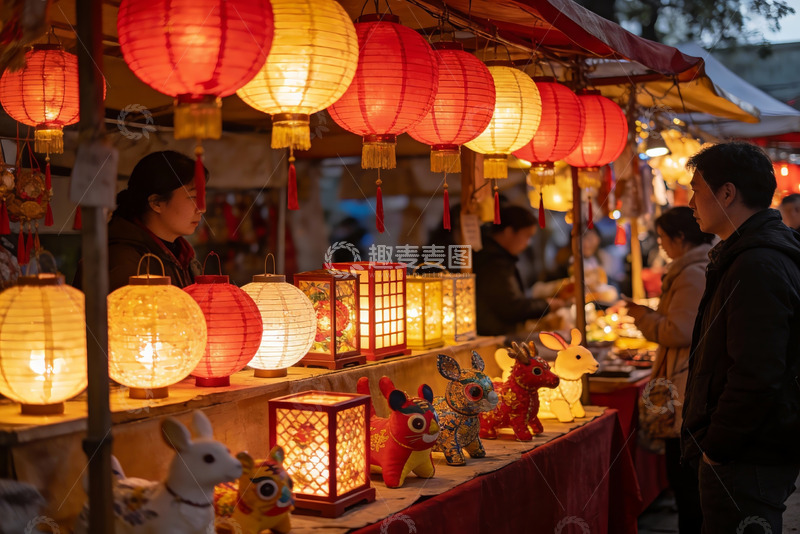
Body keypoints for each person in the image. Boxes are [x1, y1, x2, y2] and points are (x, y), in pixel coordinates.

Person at [682, 142, 800, 533]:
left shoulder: (757, 262)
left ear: (727, 193)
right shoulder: (748, 253)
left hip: (748, 453)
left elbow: (757, 371)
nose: (691, 201)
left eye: (697, 189)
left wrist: (718, 447)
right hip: (753, 447)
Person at [625, 206, 713, 534]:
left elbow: (680, 331)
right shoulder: (693, 267)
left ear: (680, 237)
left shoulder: (692, 272)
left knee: (687, 481)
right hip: (686, 380)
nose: (660, 243)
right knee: (687, 481)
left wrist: (642, 317)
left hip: (685, 385)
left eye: (663, 237)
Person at [75, 151, 206, 292]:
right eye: (193, 197)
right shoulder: (122, 261)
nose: (202, 208)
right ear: (156, 203)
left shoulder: (182, 256)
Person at [474, 205, 563, 337]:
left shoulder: (499, 258)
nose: (528, 243)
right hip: (494, 337)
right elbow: (510, 308)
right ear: (509, 232)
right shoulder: (493, 262)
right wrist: (546, 305)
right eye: (527, 236)